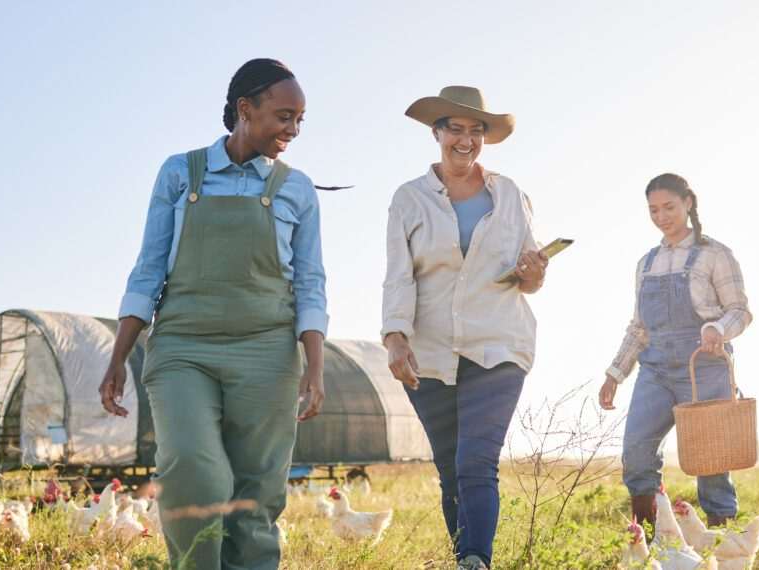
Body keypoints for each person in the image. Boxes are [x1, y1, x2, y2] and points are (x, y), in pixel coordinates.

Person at [99, 58, 328, 570]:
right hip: (184, 347)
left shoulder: (296, 188)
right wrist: (118, 357)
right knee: (194, 473)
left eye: (300, 120)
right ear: (244, 109)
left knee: (256, 491)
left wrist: (314, 366)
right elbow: (148, 270)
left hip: (267, 352)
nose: (292, 130)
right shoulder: (181, 173)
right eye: (283, 116)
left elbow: (311, 283)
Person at [382, 86, 546, 570]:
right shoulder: (409, 199)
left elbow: (528, 276)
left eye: (477, 131)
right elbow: (398, 274)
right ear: (436, 133)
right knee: (451, 472)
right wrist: (394, 337)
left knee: (476, 462)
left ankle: (477, 560)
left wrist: (534, 272)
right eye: (456, 128)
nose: (467, 139)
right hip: (429, 351)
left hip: (498, 346)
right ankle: (464, 560)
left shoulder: (509, 194)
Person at [598, 173, 752, 529]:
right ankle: (651, 538)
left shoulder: (715, 255)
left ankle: (722, 542)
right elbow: (640, 328)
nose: (661, 216)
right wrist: (614, 374)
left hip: (705, 367)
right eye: (653, 210)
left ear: (688, 203)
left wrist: (717, 329)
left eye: (669, 207)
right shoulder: (646, 263)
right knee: (636, 452)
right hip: (655, 371)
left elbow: (740, 312)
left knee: (711, 460)